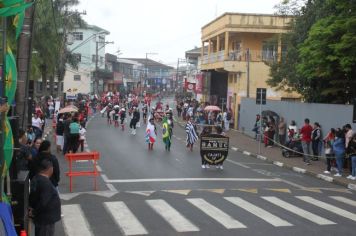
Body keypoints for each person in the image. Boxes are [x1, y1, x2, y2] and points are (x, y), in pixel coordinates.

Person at [29, 159, 61, 236]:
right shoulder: (45, 183)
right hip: (46, 218)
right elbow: (44, 202)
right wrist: (34, 212)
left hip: (42, 217)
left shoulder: (36, 178)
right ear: (49, 168)